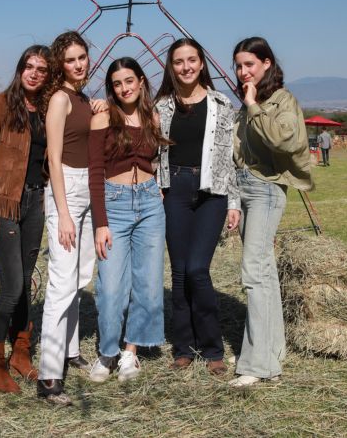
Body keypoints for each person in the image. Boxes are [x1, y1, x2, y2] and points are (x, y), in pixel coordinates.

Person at [230, 36, 314, 387]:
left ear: (266, 63)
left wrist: (252, 106)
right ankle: (271, 350)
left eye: (249, 64)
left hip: (266, 190)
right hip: (245, 187)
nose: (242, 70)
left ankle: (258, 364)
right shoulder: (250, 102)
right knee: (264, 271)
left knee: (255, 271)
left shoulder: (281, 101)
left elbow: (283, 140)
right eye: (238, 65)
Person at [154, 38, 240, 375]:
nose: (186, 67)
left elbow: (231, 159)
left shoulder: (221, 104)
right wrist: (158, 185)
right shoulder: (161, 106)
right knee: (178, 273)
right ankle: (183, 348)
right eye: (179, 61)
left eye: (192, 60)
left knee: (197, 270)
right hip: (174, 189)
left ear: (202, 63)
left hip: (211, 193)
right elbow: (151, 151)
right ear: (171, 66)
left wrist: (233, 201)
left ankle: (212, 347)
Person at [86, 57, 172, 382]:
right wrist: (100, 222)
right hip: (115, 204)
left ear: (140, 81)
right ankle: (106, 353)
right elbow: (95, 172)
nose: (124, 88)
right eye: (117, 83)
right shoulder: (103, 117)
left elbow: (159, 159)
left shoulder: (153, 116)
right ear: (112, 87)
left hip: (150, 204)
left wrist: (159, 190)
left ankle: (130, 352)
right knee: (110, 286)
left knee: (148, 284)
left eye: (129, 81)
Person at [0, 45, 50, 394]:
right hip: (5, 204)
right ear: (20, 69)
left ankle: (21, 355)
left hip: (35, 201)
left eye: (41, 69)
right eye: (28, 66)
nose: (33, 73)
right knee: (12, 288)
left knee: (25, 284)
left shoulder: (46, 108)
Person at [36, 31, 98, 405]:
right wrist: (62, 213)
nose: (79, 64)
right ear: (61, 63)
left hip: (89, 186)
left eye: (83, 57)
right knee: (61, 282)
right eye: (71, 59)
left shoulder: (83, 98)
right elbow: (54, 158)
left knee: (81, 275)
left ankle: (71, 351)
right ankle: (48, 376)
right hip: (67, 190)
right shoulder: (59, 99)